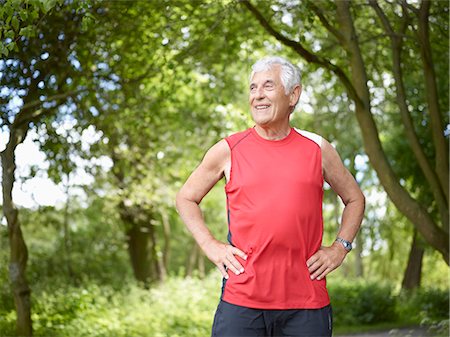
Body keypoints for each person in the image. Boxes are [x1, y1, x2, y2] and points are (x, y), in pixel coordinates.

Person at [176, 56, 365, 337]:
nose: (257, 95)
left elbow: (355, 199)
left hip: (306, 303)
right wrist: (210, 244)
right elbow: (186, 198)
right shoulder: (228, 149)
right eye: (253, 88)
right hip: (242, 301)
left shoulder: (318, 148)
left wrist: (340, 247)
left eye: (267, 86)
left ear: (293, 95)